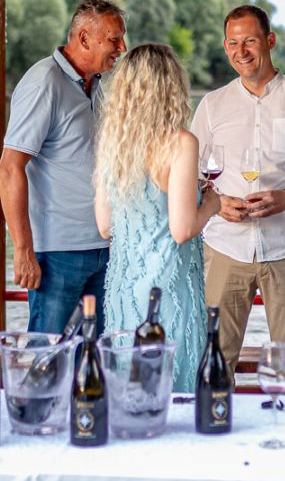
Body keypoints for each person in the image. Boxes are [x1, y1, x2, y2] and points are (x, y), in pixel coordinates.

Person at [190, 5, 285, 392]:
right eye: (232, 43)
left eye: (250, 41)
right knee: (215, 356)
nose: (241, 51)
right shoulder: (212, 104)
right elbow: (189, 171)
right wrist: (217, 201)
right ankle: (214, 442)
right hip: (226, 250)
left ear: (270, 41)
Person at [95, 44, 221, 391]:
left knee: (129, 387)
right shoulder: (180, 143)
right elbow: (182, 230)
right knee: (173, 385)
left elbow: (105, 226)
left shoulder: (113, 144)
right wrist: (212, 203)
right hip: (168, 288)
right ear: (172, 87)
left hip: (124, 287)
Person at [0, 0, 126, 334]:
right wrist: (23, 250)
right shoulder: (44, 82)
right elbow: (10, 168)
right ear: (84, 38)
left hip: (103, 246)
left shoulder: (96, 84)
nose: (122, 47)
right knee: (46, 358)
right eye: (114, 39)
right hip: (57, 253)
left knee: (95, 360)